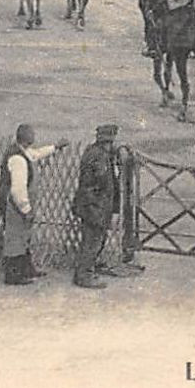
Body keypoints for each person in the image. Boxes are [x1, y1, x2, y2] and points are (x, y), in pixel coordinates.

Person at [0, 124, 70, 285]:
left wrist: (55, 147)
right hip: (13, 203)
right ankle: (13, 275)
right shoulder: (18, 159)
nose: (35, 137)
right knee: (15, 238)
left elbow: (36, 154)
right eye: (32, 134)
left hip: (16, 203)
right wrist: (26, 209)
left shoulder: (23, 151)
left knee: (23, 237)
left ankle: (26, 269)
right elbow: (17, 190)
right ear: (27, 137)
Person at [70, 124, 126, 289]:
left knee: (96, 239)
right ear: (106, 141)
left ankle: (89, 269)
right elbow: (101, 179)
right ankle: (84, 275)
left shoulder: (97, 152)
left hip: (96, 204)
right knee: (92, 241)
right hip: (93, 205)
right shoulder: (99, 156)